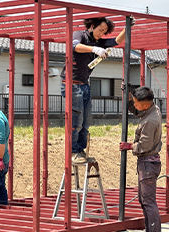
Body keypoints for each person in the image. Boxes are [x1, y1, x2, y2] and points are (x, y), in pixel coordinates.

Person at [61, 16, 135, 164]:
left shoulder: (99, 41)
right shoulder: (80, 35)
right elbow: (74, 46)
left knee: (86, 120)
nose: (102, 34)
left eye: (104, 31)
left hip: (84, 84)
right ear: (92, 25)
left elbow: (116, 41)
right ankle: (73, 151)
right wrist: (94, 49)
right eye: (100, 30)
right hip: (71, 83)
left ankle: (80, 150)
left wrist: (127, 28)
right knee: (77, 119)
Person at [120, 86, 162, 232]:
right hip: (149, 163)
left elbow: (144, 146)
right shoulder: (153, 109)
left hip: (148, 164)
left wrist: (129, 146)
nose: (135, 106)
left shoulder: (150, 122)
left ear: (145, 105)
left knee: (148, 202)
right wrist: (128, 96)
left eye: (136, 103)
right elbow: (138, 111)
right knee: (144, 200)